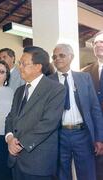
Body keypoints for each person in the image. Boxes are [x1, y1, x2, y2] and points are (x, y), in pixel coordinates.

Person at [5, 46, 65, 180]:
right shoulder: (20, 90)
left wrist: (20, 144)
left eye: (23, 63)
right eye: (19, 63)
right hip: (15, 160)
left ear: (38, 67)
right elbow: (10, 118)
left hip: (38, 162)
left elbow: (48, 123)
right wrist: (9, 139)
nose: (19, 66)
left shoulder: (56, 89)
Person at [50, 44, 103, 180]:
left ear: (71, 57)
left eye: (62, 55)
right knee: (62, 174)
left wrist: (99, 138)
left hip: (82, 134)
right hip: (59, 135)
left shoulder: (84, 78)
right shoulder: (49, 81)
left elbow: (95, 109)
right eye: (54, 57)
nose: (57, 59)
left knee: (87, 173)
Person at [82, 31, 103, 180]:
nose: (98, 45)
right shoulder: (85, 72)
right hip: (94, 131)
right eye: (95, 43)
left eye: (102, 42)